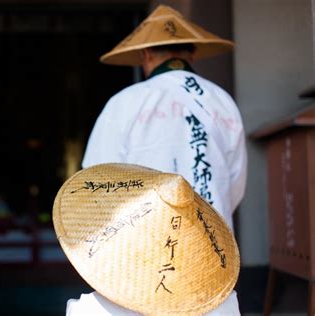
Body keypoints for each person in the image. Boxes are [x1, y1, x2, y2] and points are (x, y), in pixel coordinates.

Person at [74, 4, 248, 315]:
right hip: (212, 257)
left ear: (146, 56)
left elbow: (93, 191)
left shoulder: (125, 103)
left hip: (141, 259)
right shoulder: (224, 103)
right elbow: (234, 187)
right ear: (191, 53)